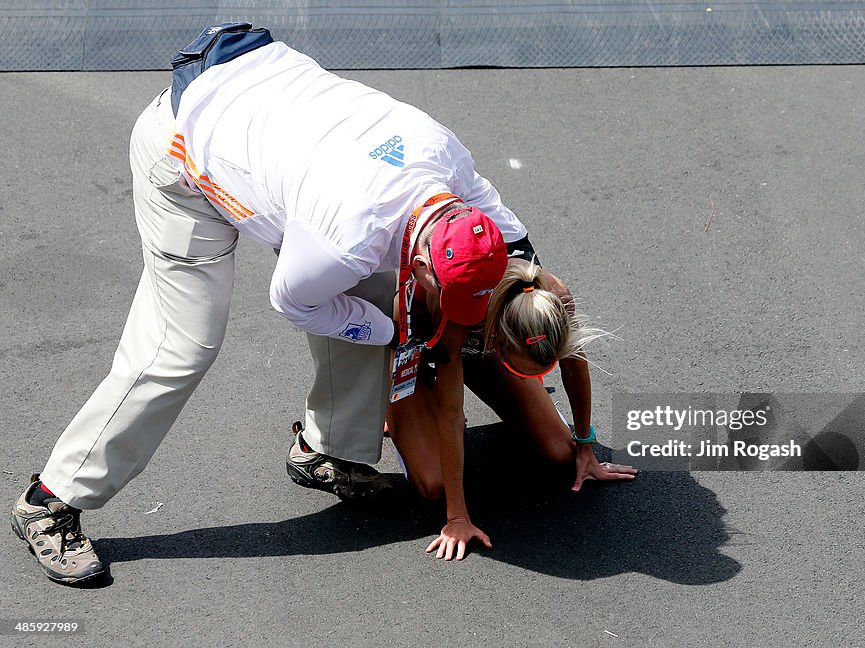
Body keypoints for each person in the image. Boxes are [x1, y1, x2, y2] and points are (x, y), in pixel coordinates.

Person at [11, 22, 527, 586]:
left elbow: (521, 250)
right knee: (181, 344)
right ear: (428, 262)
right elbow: (293, 301)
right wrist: (386, 331)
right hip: (186, 148)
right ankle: (52, 499)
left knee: (366, 294)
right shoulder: (345, 240)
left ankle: (324, 449)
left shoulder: (449, 166)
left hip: (275, 120)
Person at [387, 250, 638, 561]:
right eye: (525, 369)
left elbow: (574, 366)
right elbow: (452, 415)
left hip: (486, 345)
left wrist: (586, 445)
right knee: (433, 485)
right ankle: (400, 399)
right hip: (413, 344)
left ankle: (513, 389)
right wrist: (457, 518)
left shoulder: (553, 296)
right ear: (501, 341)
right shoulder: (459, 308)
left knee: (562, 453)